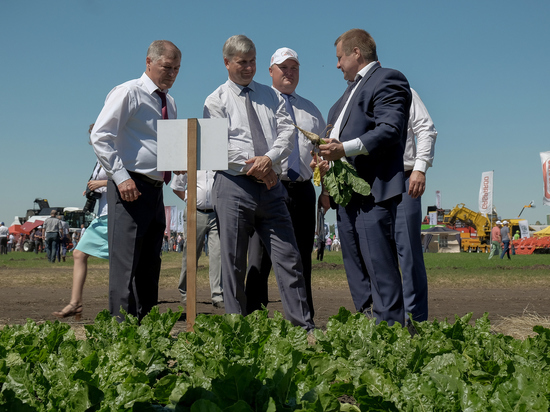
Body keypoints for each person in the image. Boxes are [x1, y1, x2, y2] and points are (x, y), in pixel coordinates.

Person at [204, 35, 314, 330]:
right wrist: (257, 165)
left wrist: (269, 158)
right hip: (233, 186)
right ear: (227, 63)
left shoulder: (271, 95)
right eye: (242, 62)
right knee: (234, 263)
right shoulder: (215, 100)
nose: (248, 67)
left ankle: (303, 327)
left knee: (289, 257)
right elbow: (218, 147)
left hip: (271, 187)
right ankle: (236, 327)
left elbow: (286, 133)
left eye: (252, 61)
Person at [317, 29, 411, 326]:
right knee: (356, 268)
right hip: (345, 197)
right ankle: (368, 324)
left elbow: (390, 129)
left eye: (339, 57)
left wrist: (344, 148)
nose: (336, 65)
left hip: (373, 193)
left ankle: (392, 331)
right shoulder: (340, 101)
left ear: (356, 53)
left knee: (379, 266)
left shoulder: (387, 79)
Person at [90, 40, 182, 321]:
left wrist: (180, 171)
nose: (172, 74)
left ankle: (146, 327)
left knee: (150, 264)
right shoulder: (129, 92)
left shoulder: (170, 102)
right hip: (130, 187)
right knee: (125, 264)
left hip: (155, 191)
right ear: (149, 62)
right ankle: (121, 331)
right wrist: (120, 178)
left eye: (177, 69)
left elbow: (166, 149)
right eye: (167, 67)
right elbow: (100, 136)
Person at [245, 47, 326, 318]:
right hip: (268, 187)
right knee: (259, 258)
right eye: (283, 68)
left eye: (294, 68)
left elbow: (322, 152)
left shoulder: (311, 111)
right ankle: (254, 316)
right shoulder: (260, 103)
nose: (289, 73)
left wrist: (322, 173)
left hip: (303, 190)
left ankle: (305, 318)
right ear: (271, 71)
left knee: (302, 257)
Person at [394, 88, 438, 324]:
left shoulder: (401, 90)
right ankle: (386, 318)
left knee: (408, 252)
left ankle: (415, 321)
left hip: (404, 178)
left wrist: (420, 167)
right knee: (378, 254)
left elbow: (426, 129)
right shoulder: (355, 94)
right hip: (369, 184)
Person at [53, 161, 109, 320]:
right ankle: (75, 302)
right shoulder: (100, 160)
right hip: (103, 215)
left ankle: (135, 306)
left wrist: (101, 183)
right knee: (78, 253)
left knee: (125, 262)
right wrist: (93, 189)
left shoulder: (119, 149)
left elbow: (132, 182)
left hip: (118, 214)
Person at [171, 171, 224, 308]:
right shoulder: (189, 160)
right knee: (191, 254)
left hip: (216, 213)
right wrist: (188, 200)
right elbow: (177, 187)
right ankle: (186, 293)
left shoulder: (218, 162)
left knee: (218, 255)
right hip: (195, 212)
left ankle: (218, 295)